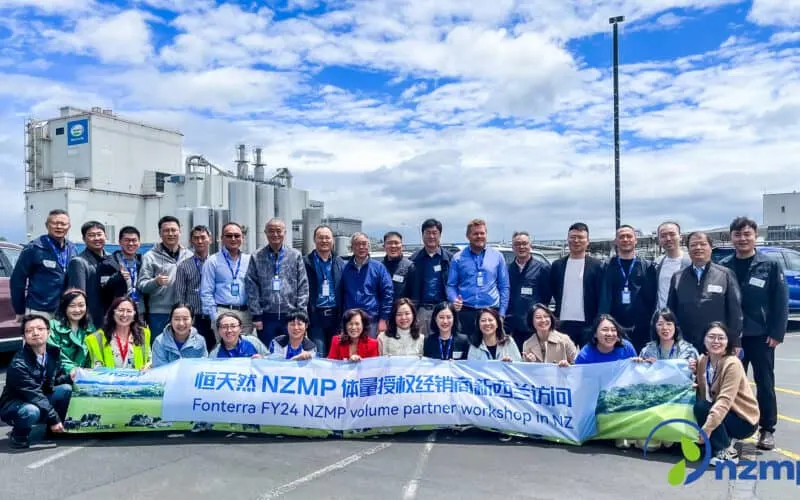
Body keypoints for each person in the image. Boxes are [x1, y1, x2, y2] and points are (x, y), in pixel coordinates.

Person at [720, 216, 788, 451]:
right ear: (731, 238)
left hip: (760, 335)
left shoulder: (770, 265)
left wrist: (777, 332)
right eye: (737, 235)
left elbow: (781, 300)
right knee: (730, 384)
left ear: (755, 236)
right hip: (733, 337)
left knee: (765, 382)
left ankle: (767, 429)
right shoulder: (725, 266)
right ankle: (730, 428)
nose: (742, 239)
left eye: (747, 234)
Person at [692, 322, 759, 466]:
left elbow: (724, 400)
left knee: (703, 407)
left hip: (743, 419)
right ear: (704, 339)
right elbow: (703, 389)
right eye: (711, 337)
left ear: (728, 342)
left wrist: (706, 429)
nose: (716, 341)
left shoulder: (732, 363)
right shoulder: (703, 361)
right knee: (701, 406)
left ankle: (727, 452)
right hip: (723, 413)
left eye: (721, 338)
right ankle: (721, 440)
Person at [0, 315, 72, 449]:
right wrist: (53, 418)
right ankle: (19, 435)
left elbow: (55, 381)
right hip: (16, 404)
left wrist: (70, 377)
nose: (35, 333)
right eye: (29, 330)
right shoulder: (18, 364)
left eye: (40, 328)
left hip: (38, 397)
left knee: (66, 389)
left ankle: (53, 431)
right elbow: (34, 395)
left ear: (49, 332)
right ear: (24, 337)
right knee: (31, 411)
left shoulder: (53, 353)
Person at [668, 231, 743, 351]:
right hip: (685, 344)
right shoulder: (678, 277)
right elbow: (670, 312)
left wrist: (735, 341)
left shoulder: (725, 275)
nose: (698, 248)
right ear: (688, 249)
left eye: (703, 244)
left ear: (711, 248)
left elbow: (735, 312)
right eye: (693, 245)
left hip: (716, 344)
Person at [245, 218, 309, 346]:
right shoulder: (257, 256)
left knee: (291, 351)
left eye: (278, 231)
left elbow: (303, 285)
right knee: (269, 352)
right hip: (267, 316)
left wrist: (300, 313)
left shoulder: (295, 255)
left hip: (290, 316)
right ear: (265, 233)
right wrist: (256, 314)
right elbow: (251, 286)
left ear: (284, 233)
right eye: (271, 231)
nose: (275, 235)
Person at [447, 219, 510, 340]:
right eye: (475, 234)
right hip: (466, 312)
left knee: (492, 350)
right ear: (468, 236)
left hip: (491, 312)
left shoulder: (497, 256)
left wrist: (501, 313)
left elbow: (504, 286)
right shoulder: (458, 258)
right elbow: (451, 285)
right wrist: (454, 299)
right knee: (467, 351)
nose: (479, 236)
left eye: (482, 233)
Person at [10, 209, 78, 320]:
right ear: (47, 225)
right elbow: (17, 280)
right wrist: (19, 310)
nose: (59, 227)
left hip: (65, 310)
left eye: (63, 224)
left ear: (69, 226)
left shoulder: (72, 248)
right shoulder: (34, 248)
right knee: (37, 337)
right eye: (55, 223)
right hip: (39, 309)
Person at [599, 225, 656, 353]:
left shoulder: (647, 267)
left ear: (636, 240)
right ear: (615, 241)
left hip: (641, 328)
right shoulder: (606, 267)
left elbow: (652, 298)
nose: (625, 239)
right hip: (614, 328)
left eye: (629, 236)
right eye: (621, 237)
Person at [549, 222, 604, 348]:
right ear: (567, 239)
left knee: (588, 361)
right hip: (563, 322)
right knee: (562, 362)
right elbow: (553, 290)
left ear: (588, 241)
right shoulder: (557, 265)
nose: (576, 240)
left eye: (580, 237)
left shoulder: (597, 266)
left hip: (589, 323)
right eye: (572, 237)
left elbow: (600, 294)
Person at [138, 216, 193, 341]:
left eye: (174, 230)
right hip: (159, 313)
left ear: (180, 231)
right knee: (159, 347)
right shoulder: (150, 256)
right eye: (166, 231)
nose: (171, 234)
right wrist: (155, 282)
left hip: (183, 312)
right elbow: (141, 285)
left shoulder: (189, 255)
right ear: (160, 233)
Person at [200, 222, 254, 344]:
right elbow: (206, 292)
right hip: (223, 313)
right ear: (222, 239)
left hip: (245, 315)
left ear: (242, 238)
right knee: (225, 353)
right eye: (229, 236)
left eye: (237, 235)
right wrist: (215, 317)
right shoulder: (212, 261)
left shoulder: (249, 260)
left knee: (245, 352)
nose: (233, 239)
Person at [340, 232, 393, 338]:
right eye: (357, 244)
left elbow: (388, 294)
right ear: (352, 247)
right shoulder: (344, 268)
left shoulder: (378, 268)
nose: (361, 247)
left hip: (371, 322)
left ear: (368, 246)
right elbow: (340, 295)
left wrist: (383, 319)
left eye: (364, 244)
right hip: (350, 323)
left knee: (371, 353)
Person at [406, 219, 453, 336]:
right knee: (423, 345)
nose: (431, 236)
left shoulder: (450, 259)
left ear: (440, 235)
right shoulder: (413, 260)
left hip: (444, 310)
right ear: (422, 235)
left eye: (434, 233)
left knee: (443, 343)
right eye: (427, 233)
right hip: (422, 311)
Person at [303, 224, 346, 354]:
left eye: (327, 238)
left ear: (332, 240)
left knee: (335, 354)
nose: (324, 241)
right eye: (320, 238)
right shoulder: (305, 262)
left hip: (335, 315)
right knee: (319, 353)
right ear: (314, 240)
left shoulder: (339, 262)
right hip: (315, 316)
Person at [507, 231, 552, 350]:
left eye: (524, 243)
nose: (521, 247)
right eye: (517, 244)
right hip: (513, 327)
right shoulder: (507, 270)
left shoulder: (543, 269)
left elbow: (546, 296)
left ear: (530, 246)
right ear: (512, 247)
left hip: (534, 327)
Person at [175, 225, 214, 351]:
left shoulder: (217, 263)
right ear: (191, 241)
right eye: (196, 238)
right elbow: (180, 294)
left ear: (210, 239)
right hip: (195, 318)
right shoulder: (184, 266)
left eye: (203, 237)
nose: (200, 241)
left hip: (214, 316)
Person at [85, 297, 152, 369]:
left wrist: (149, 365)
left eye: (129, 311)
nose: (124, 314)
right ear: (113, 313)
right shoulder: (97, 337)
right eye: (121, 310)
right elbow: (95, 366)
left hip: (137, 379)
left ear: (134, 315)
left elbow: (149, 359)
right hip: (108, 379)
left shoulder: (143, 334)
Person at [97, 226, 145, 318]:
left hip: (140, 312)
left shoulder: (143, 261)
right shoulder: (108, 263)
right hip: (118, 312)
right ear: (120, 242)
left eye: (134, 240)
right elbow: (102, 290)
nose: (131, 243)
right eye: (127, 240)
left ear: (139, 243)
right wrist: (117, 277)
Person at [66, 221, 109, 325]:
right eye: (91, 235)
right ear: (84, 239)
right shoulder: (78, 262)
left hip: (111, 318)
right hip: (91, 319)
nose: (96, 238)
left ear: (105, 236)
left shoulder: (112, 259)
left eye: (99, 234)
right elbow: (78, 296)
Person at [47, 288, 95, 379]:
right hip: (62, 376)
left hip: (85, 377)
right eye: (72, 306)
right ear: (64, 307)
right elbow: (55, 355)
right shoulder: (53, 326)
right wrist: (73, 369)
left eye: (81, 305)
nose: (77, 310)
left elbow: (92, 356)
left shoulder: (90, 328)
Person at [654, 221, 691, 310]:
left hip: (684, 316)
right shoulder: (657, 263)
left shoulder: (692, 262)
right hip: (662, 318)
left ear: (680, 237)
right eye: (663, 236)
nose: (668, 238)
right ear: (659, 240)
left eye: (672, 234)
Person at [574, 314, 639, 364]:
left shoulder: (626, 348)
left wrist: (640, 363)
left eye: (613, 330)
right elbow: (577, 376)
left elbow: (635, 374)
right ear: (595, 334)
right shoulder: (586, 354)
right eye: (605, 330)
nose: (610, 334)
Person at [382, 231, 414, 300]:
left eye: (396, 243)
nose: (393, 246)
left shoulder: (410, 267)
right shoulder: (379, 268)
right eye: (389, 243)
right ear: (384, 246)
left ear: (402, 246)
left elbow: (415, 295)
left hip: (401, 310)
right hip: (382, 309)